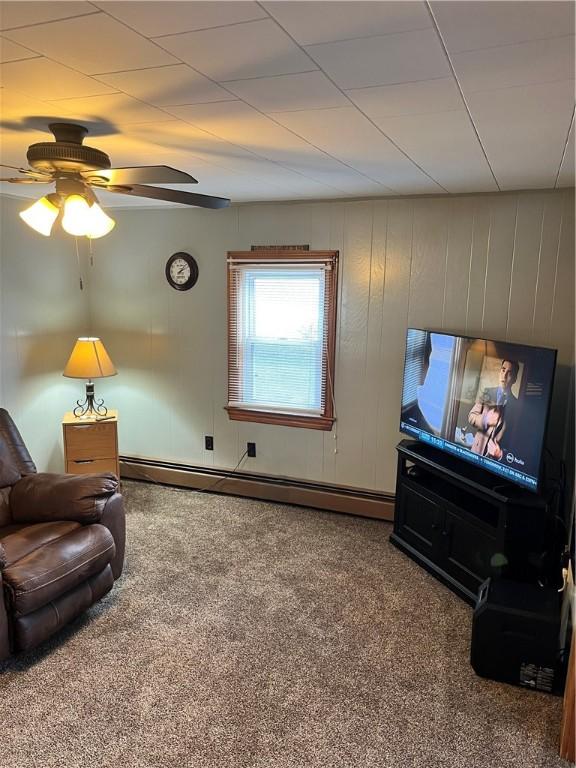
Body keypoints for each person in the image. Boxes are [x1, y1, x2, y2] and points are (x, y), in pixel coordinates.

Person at [468, 359, 519, 460]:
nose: (504, 376)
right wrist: (485, 419)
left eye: (509, 373)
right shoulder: (487, 392)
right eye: (503, 370)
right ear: (500, 372)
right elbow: (471, 416)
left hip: (494, 463)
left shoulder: (517, 406)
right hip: (475, 453)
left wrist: (500, 454)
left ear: (514, 379)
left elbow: (516, 442)